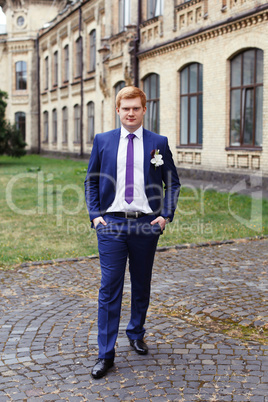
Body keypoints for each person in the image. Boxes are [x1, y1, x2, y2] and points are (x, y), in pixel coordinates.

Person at [84, 86, 180, 379]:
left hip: (145, 224)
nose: (130, 113)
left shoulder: (158, 143)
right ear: (117, 110)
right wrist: (96, 216)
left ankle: (136, 332)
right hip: (111, 225)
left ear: (144, 110)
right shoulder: (103, 141)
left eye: (135, 108)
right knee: (109, 289)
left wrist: (165, 215)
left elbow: (172, 183)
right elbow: (90, 181)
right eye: (125, 108)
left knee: (141, 284)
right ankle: (106, 354)